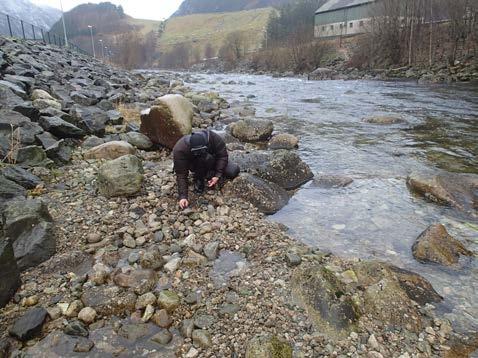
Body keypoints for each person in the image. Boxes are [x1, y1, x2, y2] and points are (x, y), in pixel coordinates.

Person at [173, 129, 240, 209]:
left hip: (212, 159)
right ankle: (198, 178)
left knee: (233, 171)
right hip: (193, 164)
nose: (199, 153)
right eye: (196, 151)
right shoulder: (180, 149)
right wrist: (183, 196)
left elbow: (222, 156)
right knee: (200, 161)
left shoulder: (213, 138)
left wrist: (217, 175)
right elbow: (181, 174)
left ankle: (210, 173)